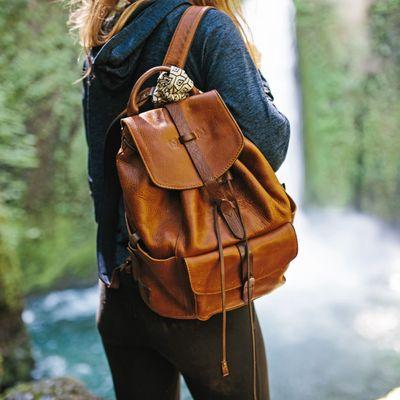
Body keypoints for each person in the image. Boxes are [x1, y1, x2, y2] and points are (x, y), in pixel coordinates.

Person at [69, 0, 291, 398]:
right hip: (199, 285)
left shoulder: (103, 31)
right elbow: (269, 145)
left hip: (120, 289)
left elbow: (99, 172)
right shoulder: (208, 29)